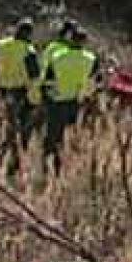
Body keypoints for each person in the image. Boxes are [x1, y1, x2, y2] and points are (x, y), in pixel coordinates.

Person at [42, 28, 97, 174]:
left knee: (53, 135)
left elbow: (47, 79)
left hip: (56, 100)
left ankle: (47, 166)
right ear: (84, 42)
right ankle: (65, 167)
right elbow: (93, 81)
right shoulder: (91, 59)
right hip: (76, 101)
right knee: (70, 135)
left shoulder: (58, 56)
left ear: (70, 39)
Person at [0, 18, 40, 175]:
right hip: (21, 92)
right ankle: (15, 163)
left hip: (5, 90)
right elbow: (34, 76)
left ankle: (3, 158)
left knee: (11, 125)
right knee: (23, 129)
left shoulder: (3, 44)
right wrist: (35, 99)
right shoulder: (28, 50)